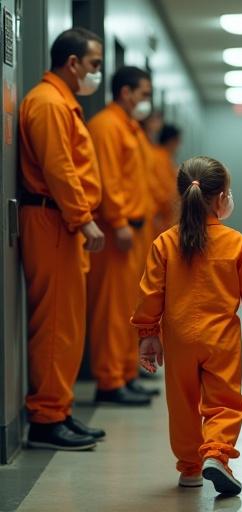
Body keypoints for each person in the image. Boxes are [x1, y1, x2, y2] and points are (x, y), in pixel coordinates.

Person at [131, 156, 242, 495]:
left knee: (182, 403)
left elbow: (150, 293)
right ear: (222, 198)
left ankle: (190, 467)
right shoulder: (236, 243)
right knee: (224, 401)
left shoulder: (165, 242)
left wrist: (148, 335)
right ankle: (216, 454)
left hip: (179, 336)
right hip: (221, 339)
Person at [19, 27, 106, 450]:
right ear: (72, 63)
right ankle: (46, 419)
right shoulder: (49, 103)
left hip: (63, 223)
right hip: (54, 221)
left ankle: (60, 410)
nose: (96, 74)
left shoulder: (63, 103)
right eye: (93, 65)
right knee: (54, 324)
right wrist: (83, 217)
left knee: (67, 324)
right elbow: (59, 168)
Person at [87, 66, 157, 406]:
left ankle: (127, 373)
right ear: (126, 92)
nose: (147, 101)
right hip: (120, 231)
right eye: (143, 94)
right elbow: (107, 179)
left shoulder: (131, 130)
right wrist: (117, 221)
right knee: (111, 310)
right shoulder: (106, 127)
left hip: (135, 231)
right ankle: (109, 380)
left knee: (131, 307)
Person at [140, 114, 181, 235]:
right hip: (159, 215)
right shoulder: (160, 157)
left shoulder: (163, 157)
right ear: (173, 141)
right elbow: (163, 188)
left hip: (163, 214)